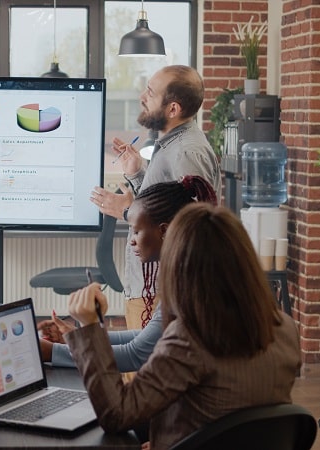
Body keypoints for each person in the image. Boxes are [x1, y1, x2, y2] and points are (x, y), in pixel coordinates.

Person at [63, 203, 301, 449]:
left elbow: (116, 414)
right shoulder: (286, 328)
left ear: (179, 267)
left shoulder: (189, 340)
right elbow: (233, 411)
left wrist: (89, 326)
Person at [39, 176, 216, 370]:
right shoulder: (189, 271)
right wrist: (76, 337)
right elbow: (143, 337)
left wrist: (49, 351)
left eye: (136, 231)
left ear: (164, 231)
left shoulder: (187, 286)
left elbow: (134, 355)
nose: (132, 240)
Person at [91, 65, 220, 329]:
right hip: (150, 288)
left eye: (150, 92)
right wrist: (139, 173)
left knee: (144, 369)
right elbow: (167, 204)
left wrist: (126, 212)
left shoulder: (186, 152)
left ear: (173, 109)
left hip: (162, 292)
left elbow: (191, 230)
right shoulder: (171, 145)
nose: (142, 96)